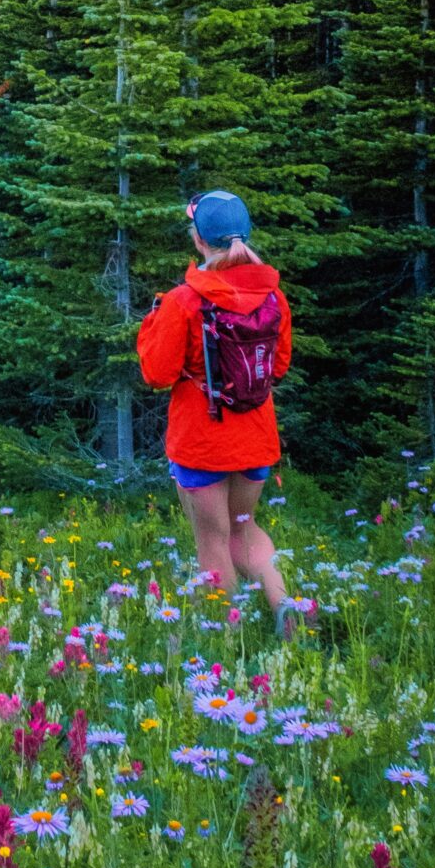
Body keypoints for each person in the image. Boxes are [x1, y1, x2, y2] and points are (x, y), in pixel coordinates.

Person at [136, 189, 296, 635]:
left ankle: (225, 641)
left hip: (202, 441)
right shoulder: (273, 297)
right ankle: (285, 604)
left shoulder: (185, 300)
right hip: (257, 439)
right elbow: (278, 366)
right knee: (243, 529)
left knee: (212, 540)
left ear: (199, 241)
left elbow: (157, 373)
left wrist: (152, 323)